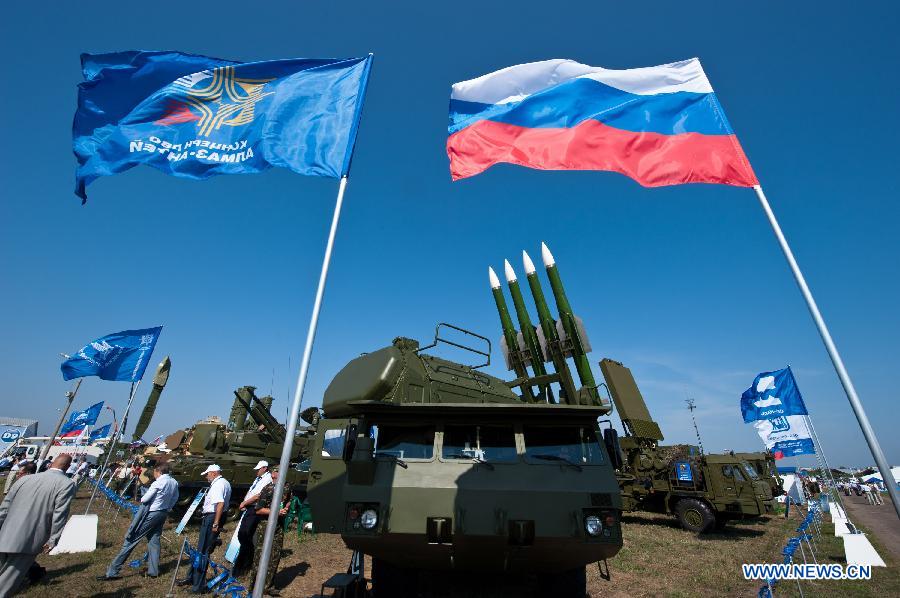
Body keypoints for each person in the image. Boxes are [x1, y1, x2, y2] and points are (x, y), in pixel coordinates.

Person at [0, 455, 76, 596]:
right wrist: (53, 539)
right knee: (6, 583)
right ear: (67, 467)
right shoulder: (66, 484)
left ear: (50, 464)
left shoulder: (25, 479)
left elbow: (5, 507)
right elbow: (59, 513)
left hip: (5, 533)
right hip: (30, 539)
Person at [98, 462, 179, 581]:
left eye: (155, 472)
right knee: (154, 540)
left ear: (158, 472)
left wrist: (144, 495)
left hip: (152, 513)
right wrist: (168, 507)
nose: (154, 475)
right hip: (163, 513)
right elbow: (175, 497)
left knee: (132, 538)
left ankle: (112, 571)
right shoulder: (174, 482)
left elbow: (145, 499)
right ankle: (153, 570)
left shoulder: (159, 482)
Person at [177, 464, 231, 594]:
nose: (206, 476)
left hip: (212, 518)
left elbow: (220, 504)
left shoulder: (218, 485)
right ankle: (192, 577)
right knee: (200, 549)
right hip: (212, 517)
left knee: (203, 552)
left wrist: (215, 523)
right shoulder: (224, 483)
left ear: (214, 473)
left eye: (207, 474)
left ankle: (198, 586)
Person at [250, 467, 292, 595]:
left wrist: (286, 508)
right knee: (260, 556)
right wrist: (276, 512)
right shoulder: (267, 489)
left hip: (278, 526)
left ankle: (268, 585)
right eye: (278, 472)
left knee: (275, 555)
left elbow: (289, 499)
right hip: (265, 525)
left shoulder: (287, 486)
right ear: (273, 474)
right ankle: (254, 586)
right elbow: (258, 510)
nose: (280, 474)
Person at [232, 461, 271, 576]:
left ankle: (246, 563)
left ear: (264, 468)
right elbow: (251, 491)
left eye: (258, 469)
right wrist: (244, 502)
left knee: (245, 535)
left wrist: (245, 503)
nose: (256, 471)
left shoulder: (266, 479)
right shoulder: (259, 478)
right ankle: (244, 561)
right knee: (243, 535)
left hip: (255, 509)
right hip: (249, 508)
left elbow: (258, 495)